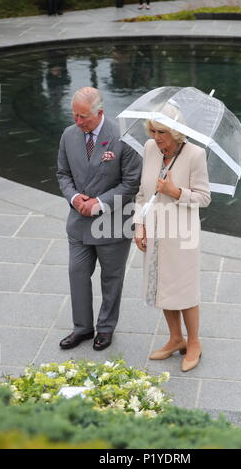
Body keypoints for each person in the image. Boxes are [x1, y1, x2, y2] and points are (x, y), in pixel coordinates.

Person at [57, 87, 142, 351]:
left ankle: (105, 329)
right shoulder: (69, 135)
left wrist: (98, 203)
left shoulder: (123, 138)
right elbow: (62, 174)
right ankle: (82, 328)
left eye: (83, 117)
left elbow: (131, 184)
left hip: (112, 223)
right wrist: (74, 198)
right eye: (75, 116)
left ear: (100, 113)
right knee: (77, 273)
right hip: (78, 223)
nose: (78, 122)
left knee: (111, 278)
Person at [134, 113, 211, 372]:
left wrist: (175, 192)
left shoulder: (195, 155)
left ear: (176, 133)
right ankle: (175, 338)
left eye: (162, 133)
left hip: (182, 236)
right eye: (153, 132)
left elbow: (204, 198)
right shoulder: (149, 149)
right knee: (162, 287)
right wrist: (139, 225)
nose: (156, 138)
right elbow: (143, 193)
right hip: (154, 232)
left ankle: (194, 343)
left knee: (185, 291)